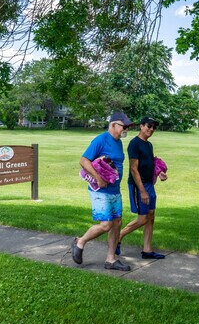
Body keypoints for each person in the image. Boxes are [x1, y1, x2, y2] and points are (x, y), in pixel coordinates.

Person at [71, 112, 134, 271]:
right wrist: (98, 177)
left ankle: (110, 260)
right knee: (106, 224)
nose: (126, 129)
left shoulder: (118, 142)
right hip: (100, 190)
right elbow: (83, 160)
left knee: (117, 222)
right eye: (124, 126)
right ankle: (80, 242)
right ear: (113, 125)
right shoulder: (101, 139)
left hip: (114, 189)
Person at [116, 116, 167, 259]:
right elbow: (134, 169)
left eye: (153, 127)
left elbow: (151, 163)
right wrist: (142, 190)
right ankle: (118, 237)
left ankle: (147, 250)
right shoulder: (134, 144)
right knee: (143, 218)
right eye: (149, 126)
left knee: (151, 217)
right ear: (141, 126)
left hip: (149, 184)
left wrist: (160, 172)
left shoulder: (148, 145)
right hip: (139, 185)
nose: (151, 129)